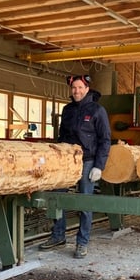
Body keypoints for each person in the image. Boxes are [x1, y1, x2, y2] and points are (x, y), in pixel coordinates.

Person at [39, 74, 111, 258]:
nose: (77, 91)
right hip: (67, 161)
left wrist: (99, 166)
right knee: (58, 198)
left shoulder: (97, 110)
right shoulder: (67, 109)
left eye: (80, 87)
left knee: (84, 202)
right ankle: (58, 236)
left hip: (87, 161)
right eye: (74, 88)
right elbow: (61, 136)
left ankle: (82, 242)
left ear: (87, 89)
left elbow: (105, 139)